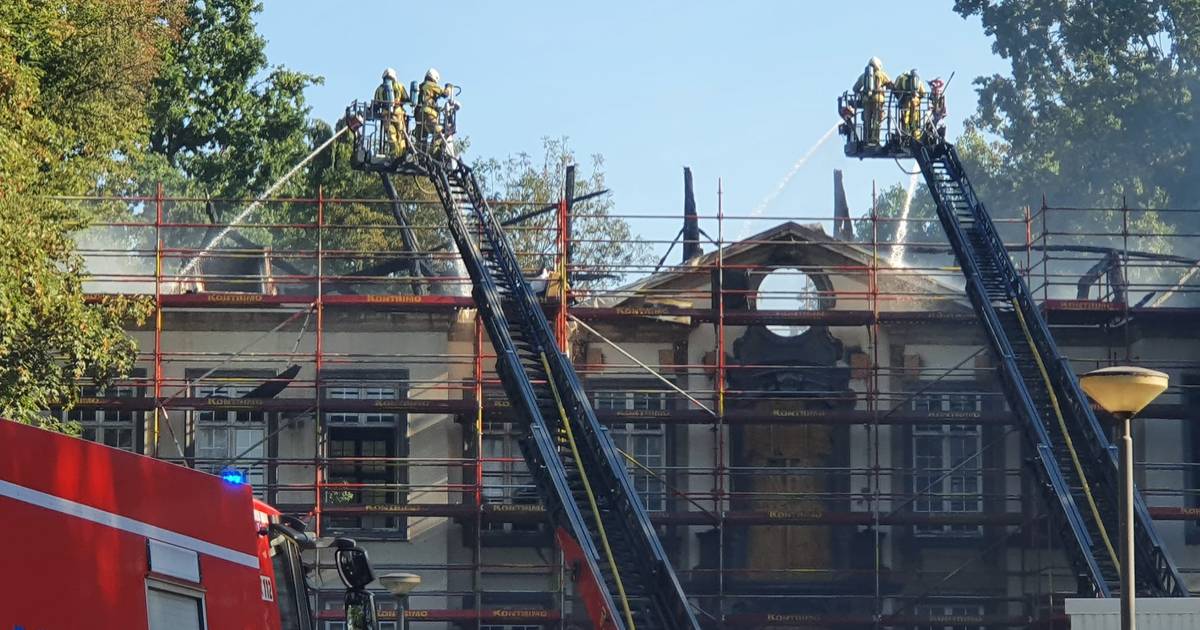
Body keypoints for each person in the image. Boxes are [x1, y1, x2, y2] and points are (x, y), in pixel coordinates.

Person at [852, 57, 891, 146]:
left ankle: (867, 139)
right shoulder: (881, 75)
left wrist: (861, 93)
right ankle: (875, 139)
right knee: (877, 121)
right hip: (878, 101)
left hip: (866, 102)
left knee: (867, 121)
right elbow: (891, 85)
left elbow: (855, 88)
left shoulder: (863, 76)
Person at [373, 68, 409, 158]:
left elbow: (376, 105)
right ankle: (402, 155)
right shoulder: (399, 86)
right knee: (401, 136)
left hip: (387, 117)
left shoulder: (379, 89)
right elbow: (407, 99)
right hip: (399, 116)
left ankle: (395, 155)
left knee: (391, 136)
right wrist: (399, 103)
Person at [416, 68, 449, 153]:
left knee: (421, 140)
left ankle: (421, 155)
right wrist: (448, 87)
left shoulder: (422, 86)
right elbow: (445, 93)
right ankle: (432, 152)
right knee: (439, 132)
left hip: (419, 115)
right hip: (428, 114)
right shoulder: (431, 85)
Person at [892, 68, 926, 140]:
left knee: (905, 119)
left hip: (906, 103)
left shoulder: (902, 79)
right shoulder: (918, 81)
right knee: (915, 121)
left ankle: (905, 134)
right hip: (916, 104)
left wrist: (900, 97)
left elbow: (896, 89)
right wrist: (918, 98)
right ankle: (916, 137)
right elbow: (923, 93)